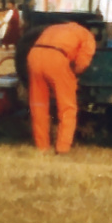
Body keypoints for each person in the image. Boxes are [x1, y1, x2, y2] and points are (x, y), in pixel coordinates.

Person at [26, 21, 96, 155]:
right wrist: (74, 74)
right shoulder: (86, 35)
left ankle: (42, 146)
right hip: (56, 59)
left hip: (34, 56)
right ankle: (62, 148)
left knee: (38, 105)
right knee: (67, 107)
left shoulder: (53, 27)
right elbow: (82, 61)